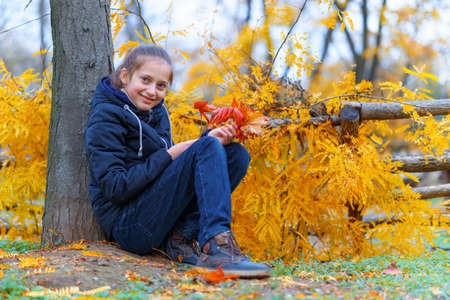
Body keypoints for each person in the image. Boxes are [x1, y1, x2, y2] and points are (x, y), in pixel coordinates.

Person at [84, 45, 271, 278]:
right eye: (145, 80)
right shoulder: (106, 115)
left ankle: (180, 238)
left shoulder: (157, 113)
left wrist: (211, 140)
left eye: (161, 86)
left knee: (235, 154)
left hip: (158, 218)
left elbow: (171, 172)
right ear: (125, 76)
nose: (152, 91)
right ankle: (217, 247)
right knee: (207, 147)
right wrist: (173, 153)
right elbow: (115, 187)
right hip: (128, 226)